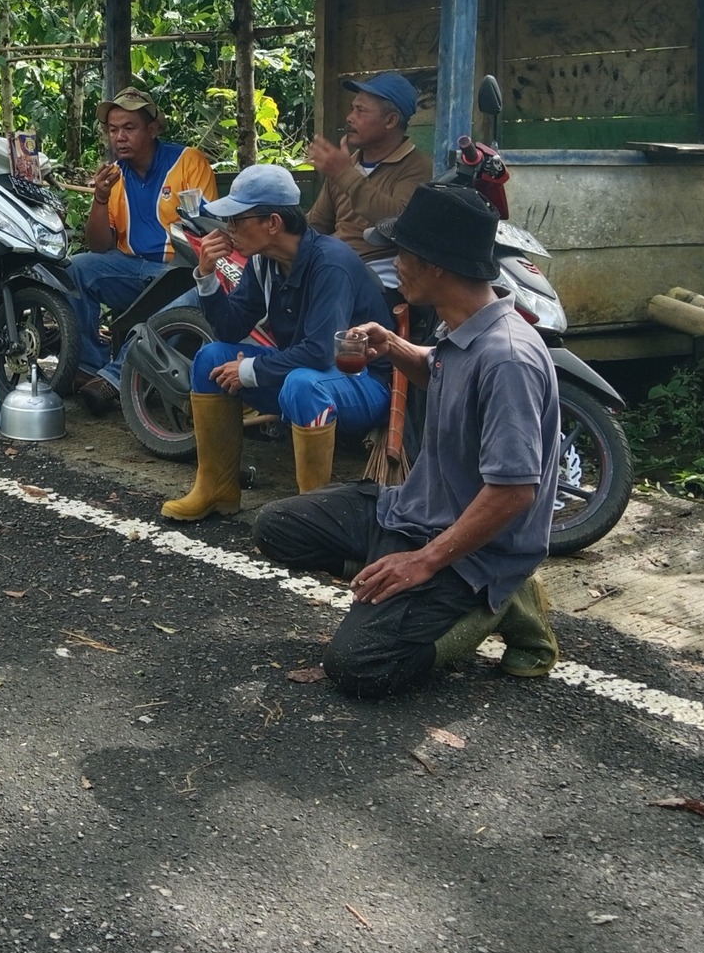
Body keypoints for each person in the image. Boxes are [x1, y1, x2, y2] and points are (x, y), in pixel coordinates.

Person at [253, 182, 562, 698]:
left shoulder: (507, 358)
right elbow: (439, 369)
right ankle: (400, 581)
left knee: (358, 666)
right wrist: (395, 346)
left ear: (435, 266)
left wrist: (423, 562)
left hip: (474, 552)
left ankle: (500, 601)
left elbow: (514, 492)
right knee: (278, 527)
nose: (395, 264)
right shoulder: (461, 326)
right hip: (416, 511)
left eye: (402, 253)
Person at [162, 163, 393, 524]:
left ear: (272, 222)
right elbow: (230, 329)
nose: (228, 228)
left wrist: (250, 370)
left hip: (364, 384)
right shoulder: (263, 262)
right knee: (210, 358)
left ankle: (314, 520)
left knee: (302, 384)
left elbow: (321, 352)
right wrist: (206, 276)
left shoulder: (330, 263)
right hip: (307, 373)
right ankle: (216, 489)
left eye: (237, 220)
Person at [68, 87, 217, 412]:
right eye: (113, 130)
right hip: (131, 268)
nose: (119, 137)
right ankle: (89, 368)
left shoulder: (187, 161)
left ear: (152, 129)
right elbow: (100, 246)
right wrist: (100, 198)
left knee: (193, 290)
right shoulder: (115, 175)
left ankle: (114, 378)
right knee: (78, 267)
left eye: (129, 128)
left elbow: (206, 230)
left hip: (178, 271)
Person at [306, 72, 433, 268]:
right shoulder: (347, 164)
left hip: (385, 270)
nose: (349, 118)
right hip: (335, 264)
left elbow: (399, 223)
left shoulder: (417, 167)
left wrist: (344, 175)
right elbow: (317, 224)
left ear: (390, 121)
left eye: (361, 111)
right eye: (352, 109)